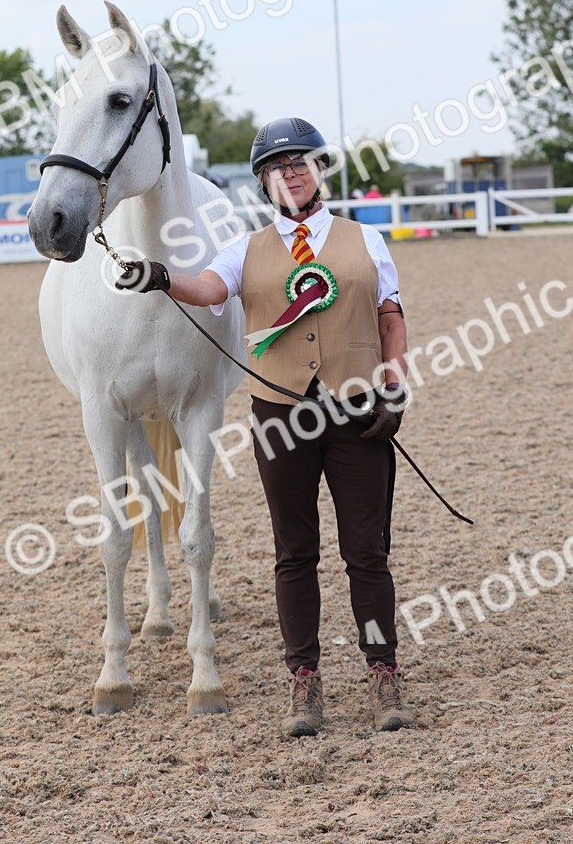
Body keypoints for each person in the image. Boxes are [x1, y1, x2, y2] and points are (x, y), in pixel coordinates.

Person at [117, 117, 413, 737]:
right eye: (276, 169)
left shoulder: (367, 240)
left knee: (367, 553)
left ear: (319, 170)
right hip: (281, 416)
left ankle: (383, 670)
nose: (290, 174)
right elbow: (207, 288)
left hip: (358, 412)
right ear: (263, 184)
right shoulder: (244, 250)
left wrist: (395, 386)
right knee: (294, 552)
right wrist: (161, 276)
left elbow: (390, 317)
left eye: (300, 163)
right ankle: (304, 680)